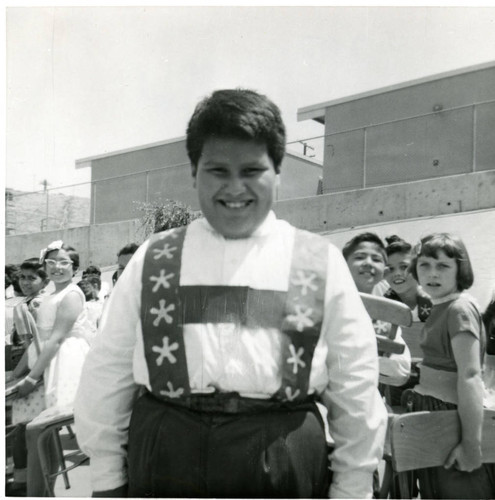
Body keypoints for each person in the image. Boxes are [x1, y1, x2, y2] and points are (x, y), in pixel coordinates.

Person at [75, 89, 387, 499]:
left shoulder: (319, 261)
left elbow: (355, 386)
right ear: (194, 172)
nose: (235, 187)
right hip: (166, 453)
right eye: (217, 170)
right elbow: (109, 368)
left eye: (252, 170)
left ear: (277, 172)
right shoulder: (155, 257)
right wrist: (106, 479)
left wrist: (353, 487)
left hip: (283, 457)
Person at [405, 233, 495, 498]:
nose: (433, 273)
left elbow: (469, 375)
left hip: (453, 418)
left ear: (460, 270)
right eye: (424, 265)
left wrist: (470, 445)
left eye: (443, 266)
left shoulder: (459, 309)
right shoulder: (441, 307)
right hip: (438, 415)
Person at [11, 240, 91, 496]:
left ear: (75, 268)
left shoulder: (72, 294)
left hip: (66, 364)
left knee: (39, 431)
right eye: (52, 261)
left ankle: (38, 492)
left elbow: (56, 338)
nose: (57, 266)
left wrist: (32, 379)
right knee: (33, 431)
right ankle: (42, 491)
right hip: (47, 360)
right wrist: (15, 375)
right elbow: (39, 340)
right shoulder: (49, 295)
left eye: (64, 262)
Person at [342, 232, 411, 388]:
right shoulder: (331, 303)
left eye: (376, 259)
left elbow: (402, 369)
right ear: (343, 265)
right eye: (359, 257)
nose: (368, 263)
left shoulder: (387, 314)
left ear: (383, 271)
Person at [383, 235, 432, 322]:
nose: (397, 273)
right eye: (390, 269)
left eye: (404, 267)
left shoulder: (437, 302)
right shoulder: (380, 307)